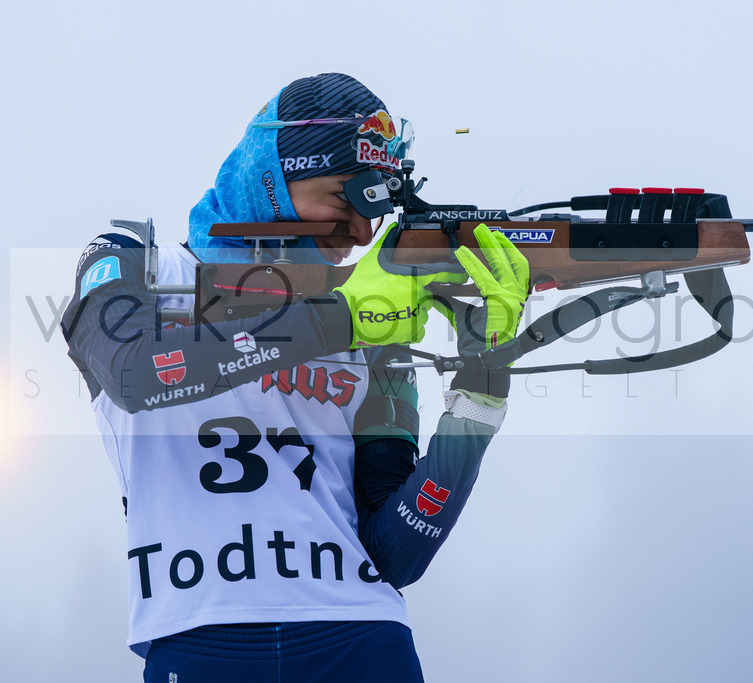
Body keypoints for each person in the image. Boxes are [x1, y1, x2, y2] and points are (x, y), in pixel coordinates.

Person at [61, 73, 529, 682]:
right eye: (347, 198)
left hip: (363, 639)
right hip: (203, 642)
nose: (363, 232)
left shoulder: (373, 319)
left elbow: (397, 550)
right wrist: (339, 319)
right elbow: (134, 374)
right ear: (274, 180)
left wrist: (480, 394)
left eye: (378, 204)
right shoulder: (141, 260)